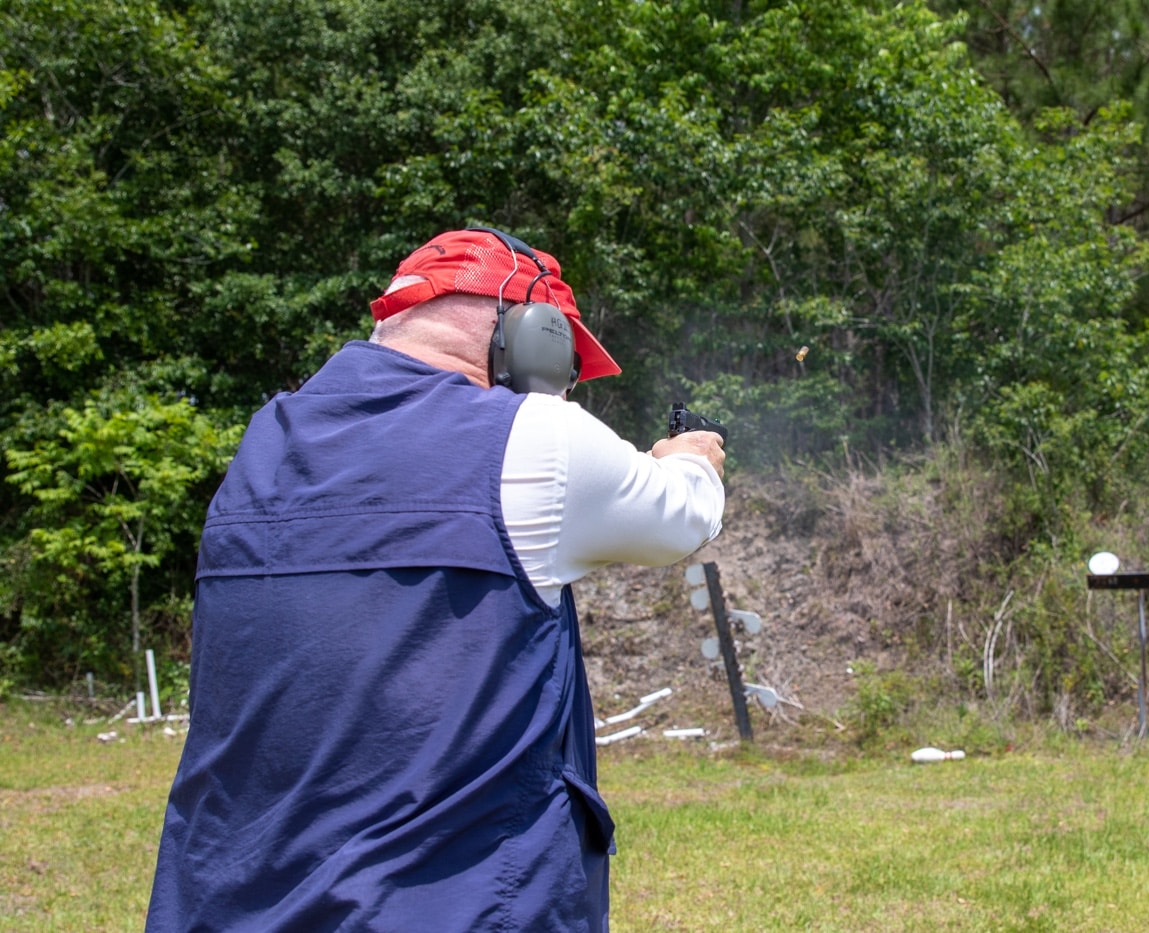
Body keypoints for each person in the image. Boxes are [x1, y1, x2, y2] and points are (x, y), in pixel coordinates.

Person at [146, 228, 726, 932]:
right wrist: (691, 455)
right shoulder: (532, 434)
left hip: (230, 907)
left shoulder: (262, 445)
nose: (567, 381)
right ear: (532, 333)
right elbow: (684, 517)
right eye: (568, 358)